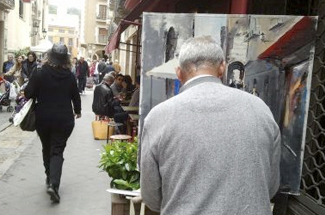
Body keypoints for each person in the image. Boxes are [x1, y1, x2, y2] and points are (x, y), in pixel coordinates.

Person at [139, 36, 281, 215]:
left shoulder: (158, 117)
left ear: (179, 72)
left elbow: (151, 196)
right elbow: (271, 185)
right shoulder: (260, 109)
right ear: (222, 67)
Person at [24, 43, 81, 203]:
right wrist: (78, 111)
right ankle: (53, 184)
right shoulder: (69, 75)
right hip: (64, 119)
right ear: (65, 59)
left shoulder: (39, 72)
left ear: (49, 56)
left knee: (46, 147)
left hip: (43, 117)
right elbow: (75, 95)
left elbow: (29, 93)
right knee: (57, 150)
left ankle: (49, 177)